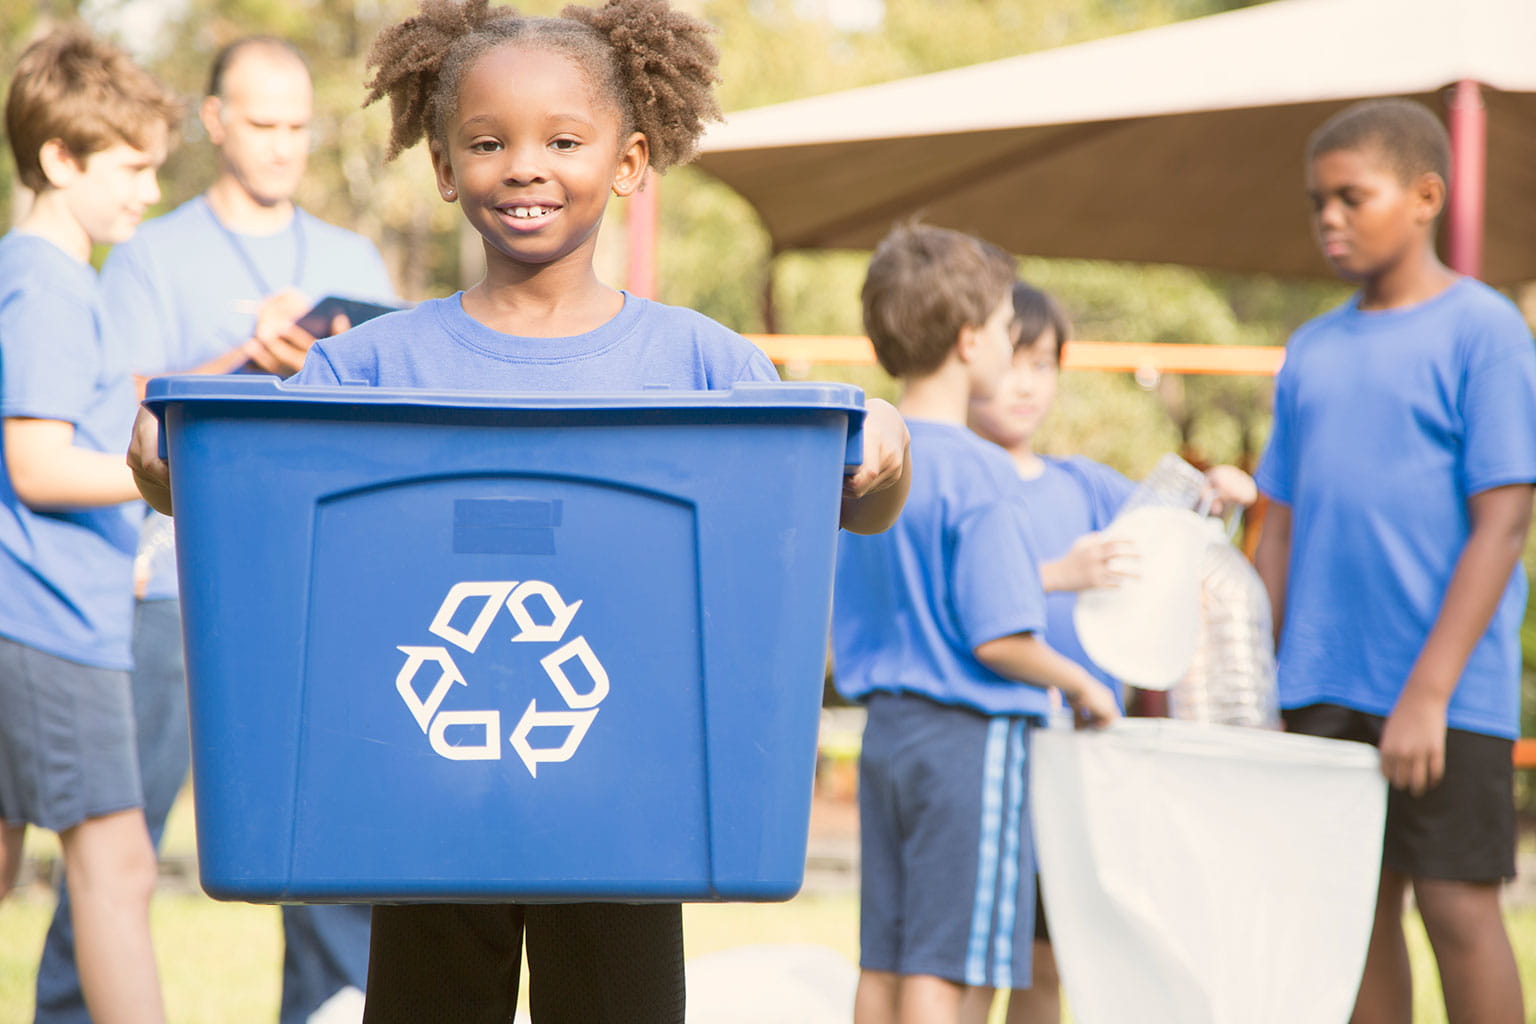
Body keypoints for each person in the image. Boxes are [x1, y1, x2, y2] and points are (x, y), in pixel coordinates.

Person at [127, 0, 911, 1020]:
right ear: (447, 167)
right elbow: (234, 488)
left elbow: (851, 507)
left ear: (630, 162)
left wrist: (883, 442)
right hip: (422, 810)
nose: (525, 166)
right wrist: (158, 454)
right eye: (489, 142)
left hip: (634, 811)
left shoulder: (700, 364)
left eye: (564, 141)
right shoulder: (371, 366)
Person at [34, 35, 395, 1024]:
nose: (283, 147)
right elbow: (123, 417)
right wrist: (241, 360)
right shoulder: (149, 254)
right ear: (217, 121)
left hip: (322, 595)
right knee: (117, 849)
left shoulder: (353, 260)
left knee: (326, 864)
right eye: (263, 124)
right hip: (167, 590)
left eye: (298, 127)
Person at [1253, 98, 1534, 1024]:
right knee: (1355, 915)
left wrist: (1428, 692)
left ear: (1424, 197)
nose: (1329, 218)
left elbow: (1503, 521)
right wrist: (1258, 682)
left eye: (1351, 196)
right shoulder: (1310, 351)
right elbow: (1279, 528)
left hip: (1445, 694)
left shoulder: (1484, 331)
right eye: (1314, 202)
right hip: (1319, 683)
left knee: (1456, 907)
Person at [831, 223, 1120, 1024]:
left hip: (887, 737)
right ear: (968, 342)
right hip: (971, 740)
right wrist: (1085, 686)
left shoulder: (862, 463)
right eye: (1002, 327)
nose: (1006, 340)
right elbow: (998, 638)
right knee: (948, 965)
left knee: (884, 957)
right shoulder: (984, 472)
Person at [959, 281, 1256, 1024]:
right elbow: (948, 601)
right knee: (973, 963)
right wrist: (1061, 574)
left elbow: (1169, 534)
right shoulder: (954, 482)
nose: (1026, 384)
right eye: (1012, 362)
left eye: (1044, 365)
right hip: (986, 758)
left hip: (1081, 769)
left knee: (1049, 960)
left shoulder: (1084, 485)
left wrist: (1214, 494)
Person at [0, 27, 180, 1024]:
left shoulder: (52, 276)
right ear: (61, 158)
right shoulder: (48, 281)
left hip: (49, 612)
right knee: (117, 868)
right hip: (47, 627)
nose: (149, 192)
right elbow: (36, 462)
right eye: (134, 167)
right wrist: (167, 484)